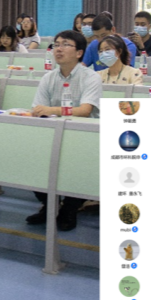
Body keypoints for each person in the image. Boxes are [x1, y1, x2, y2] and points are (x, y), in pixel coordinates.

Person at [27, 30, 102, 232]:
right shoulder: (48, 78)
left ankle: (69, 208)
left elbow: (85, 111)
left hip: (84, 137)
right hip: (52, 134)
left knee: (78, 162)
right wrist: (46, 112)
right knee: (31, 159)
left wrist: (52, 110)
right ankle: (49, 205)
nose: (58, 49)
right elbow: (38, 109)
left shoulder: (91, 77)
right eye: (56, 44)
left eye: (65, 44)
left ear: (79, 53)